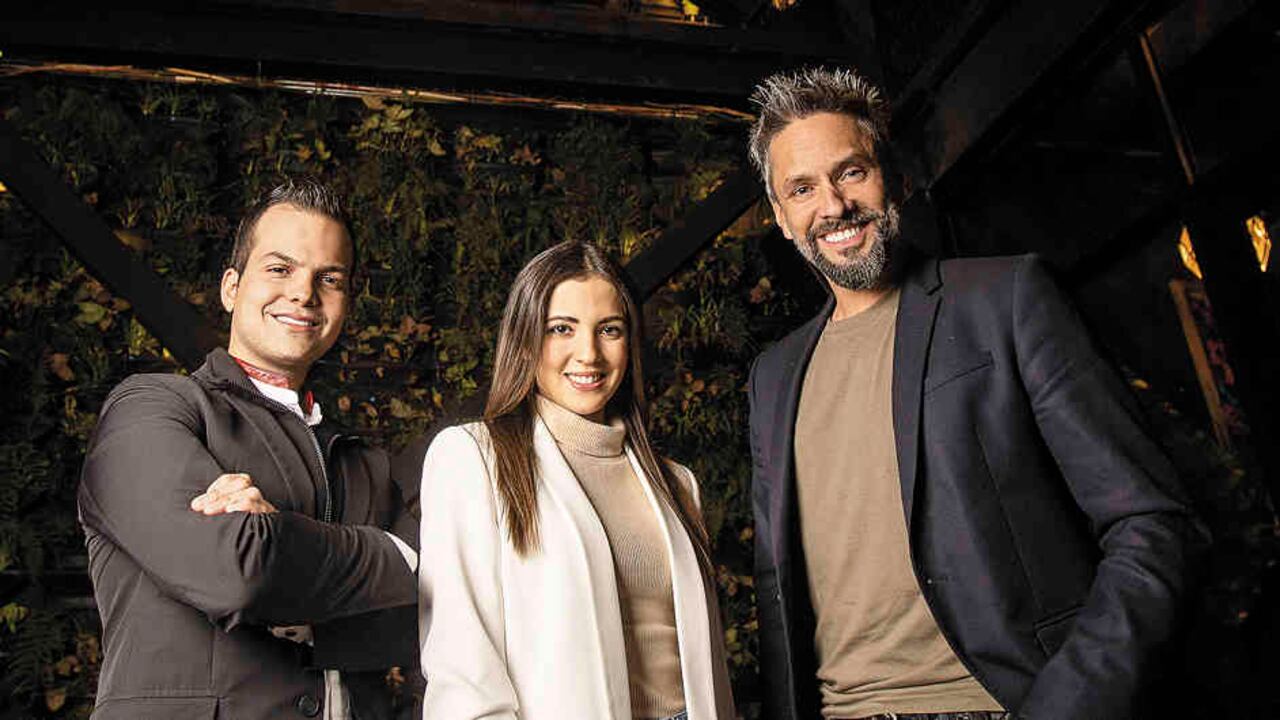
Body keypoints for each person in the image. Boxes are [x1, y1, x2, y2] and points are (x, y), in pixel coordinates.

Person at [744, 67, 1209, 720]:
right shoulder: (772, 378)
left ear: (895, 177)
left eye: (851, 172)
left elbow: (1153, 523)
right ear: (782, 217)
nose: (834, 205)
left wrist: (1069, 705)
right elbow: (776, 592)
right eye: (802, 188)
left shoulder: (1005, 301)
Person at [78, 177, 418, 720]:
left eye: (329, 279)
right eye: (280, 269)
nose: (304, 293)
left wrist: (277, 537)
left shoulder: (364, 463)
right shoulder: (151, 409)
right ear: (231, 288)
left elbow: (429, 613)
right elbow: (238, 571)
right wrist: (394, 556)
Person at [417, 241, 735, 720]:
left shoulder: (677, 484)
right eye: (561, 328)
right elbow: (462, 672)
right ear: (526, 337)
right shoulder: (473, 459)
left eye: (609, 330)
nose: (589, 354)